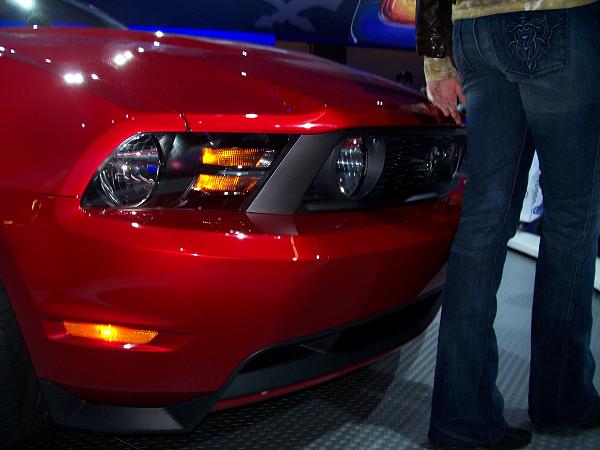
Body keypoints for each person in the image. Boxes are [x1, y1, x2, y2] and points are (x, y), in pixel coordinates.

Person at [415, 0, 600, 448]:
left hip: (474, 29)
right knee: (571, 220)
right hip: (559, 18)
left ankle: (462, 419)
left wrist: (436, 60)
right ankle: (562, 399)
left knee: (483, 223)